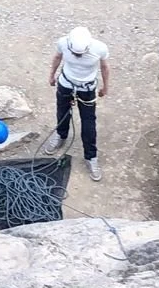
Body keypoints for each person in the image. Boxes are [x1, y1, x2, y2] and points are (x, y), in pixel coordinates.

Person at [43, 26, 111, 181]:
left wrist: (105, 87)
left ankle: (91, 156)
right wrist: (51, 75)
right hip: (66, 84)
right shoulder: (63, 43)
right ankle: (61, 135)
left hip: (87, 89)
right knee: (62, 113)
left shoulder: (99, 48)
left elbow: (105, 67)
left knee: (89, 123)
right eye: (75, 53)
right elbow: (57, 58)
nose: (77, 56)